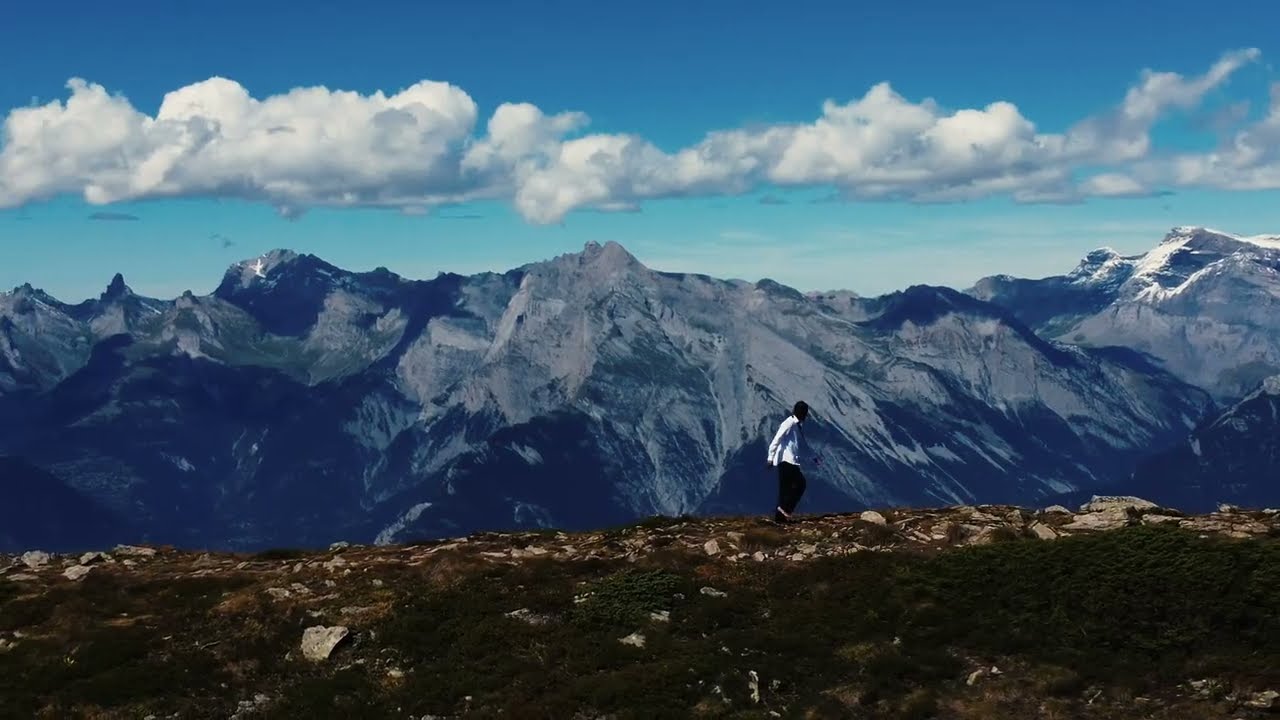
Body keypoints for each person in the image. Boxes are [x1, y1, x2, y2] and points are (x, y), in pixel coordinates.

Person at [766, 401, 818, 523]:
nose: (805, 416)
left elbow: (800, 445)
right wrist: (770, 457)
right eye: (805, 413)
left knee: (785, 489)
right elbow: (777, 439)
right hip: (786, 460)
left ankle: (780, 519)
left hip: (789, 460)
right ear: (801, 413)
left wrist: (813, 456)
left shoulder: (797, 425)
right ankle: (785, 508)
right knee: (801, 483)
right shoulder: (789, 423)